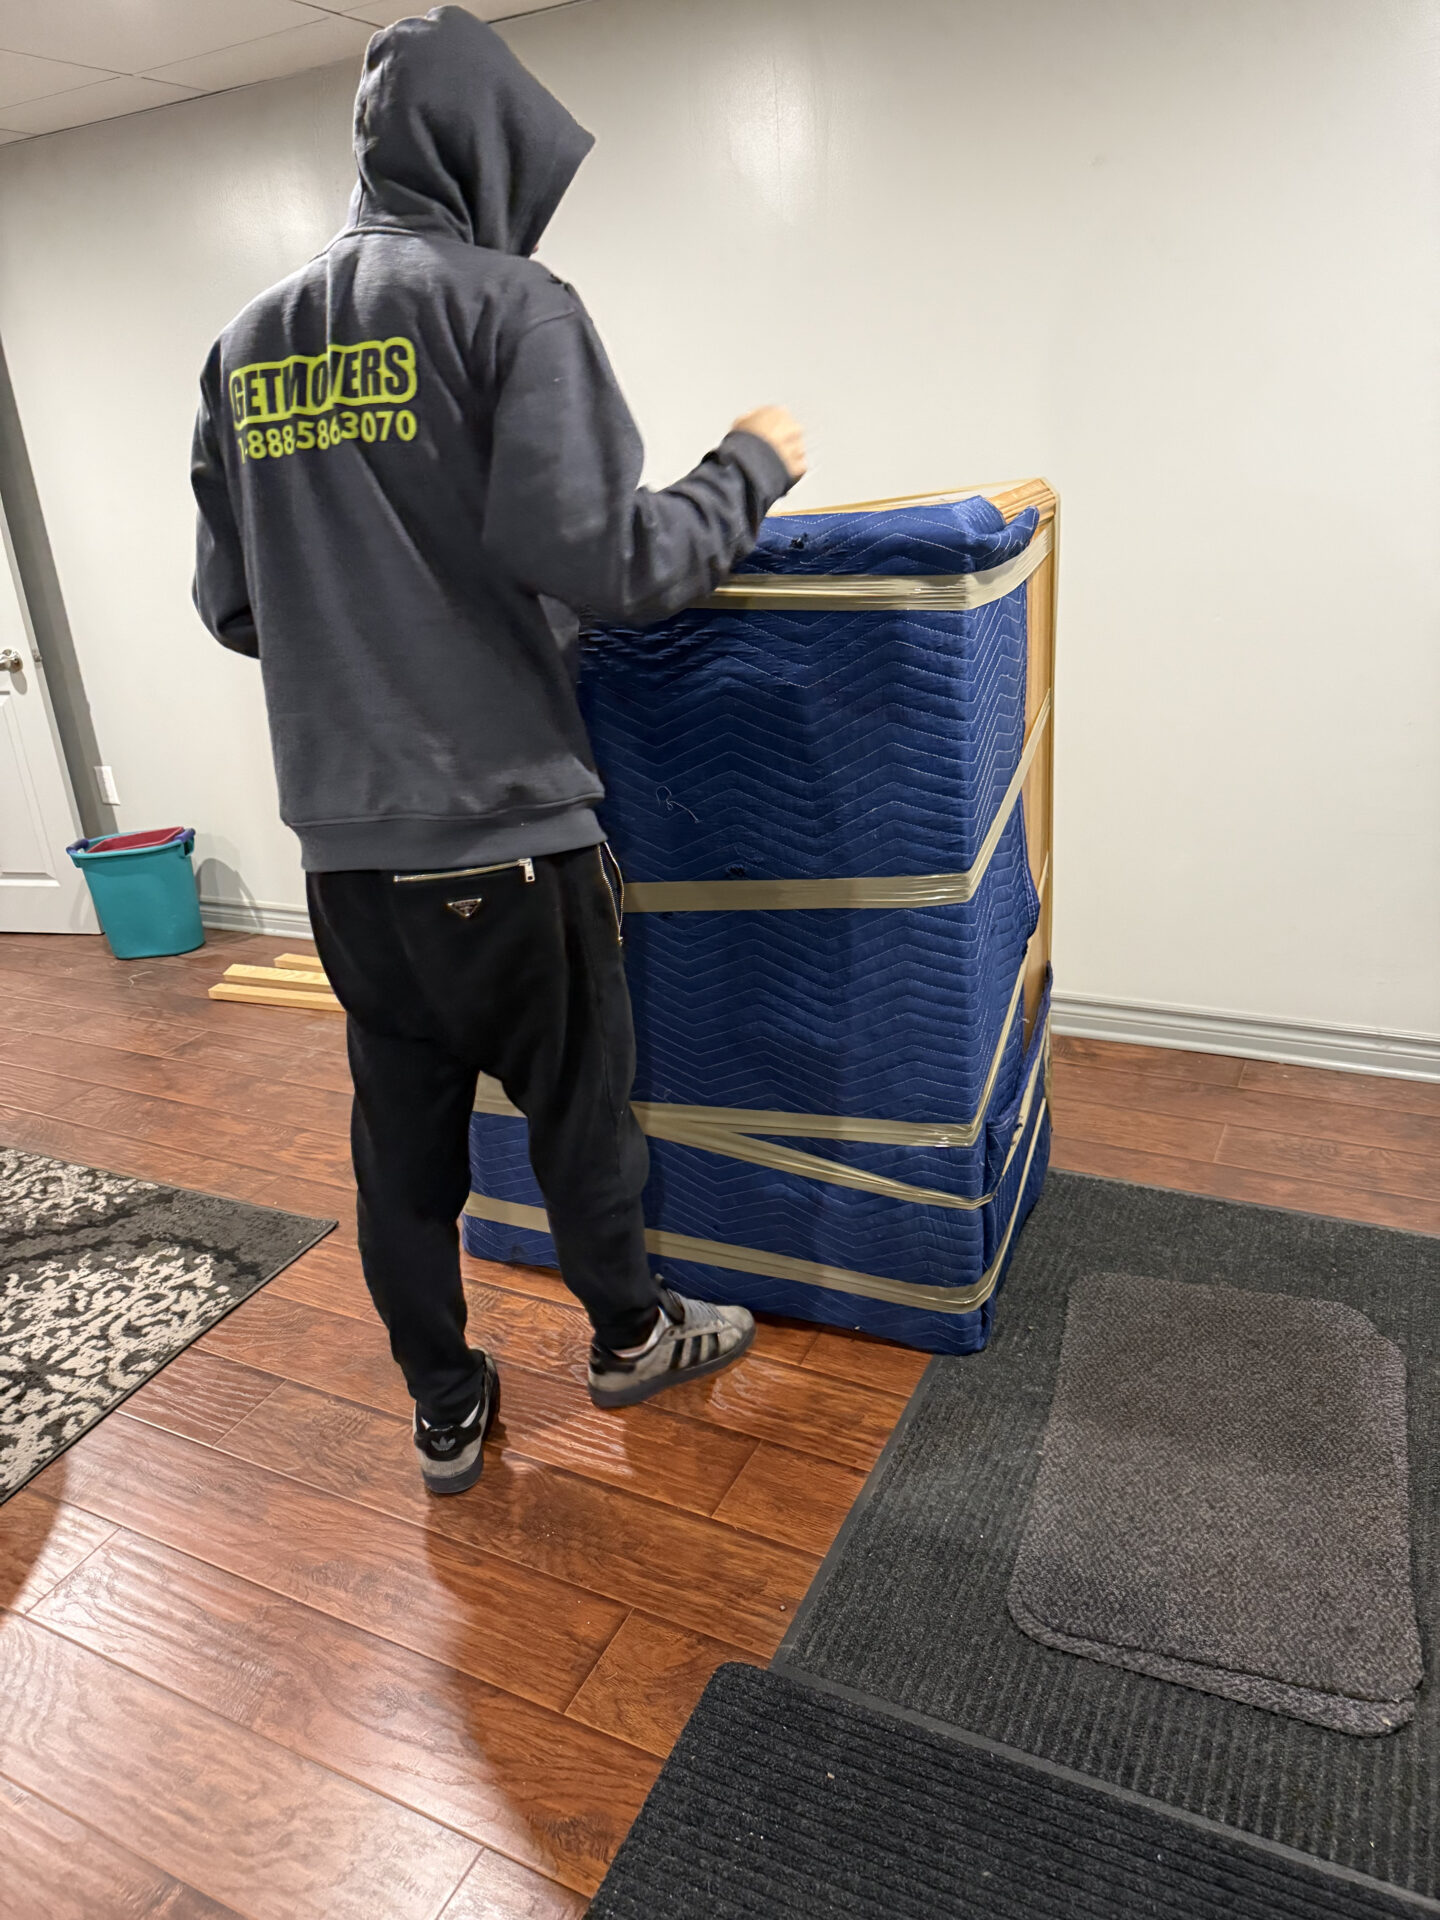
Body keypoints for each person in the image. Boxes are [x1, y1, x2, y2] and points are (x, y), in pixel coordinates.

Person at [191, 5, 806, 1495]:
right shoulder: (509, 304)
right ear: (489, 152)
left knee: (400, 1147)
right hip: (511, 841)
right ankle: (629, 1339)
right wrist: (751, 469)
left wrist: (367, 632)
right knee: (581, 1113)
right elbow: (609, 560)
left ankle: (445, 1404)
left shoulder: (244, 345)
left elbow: (233, 605)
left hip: (345, 856)